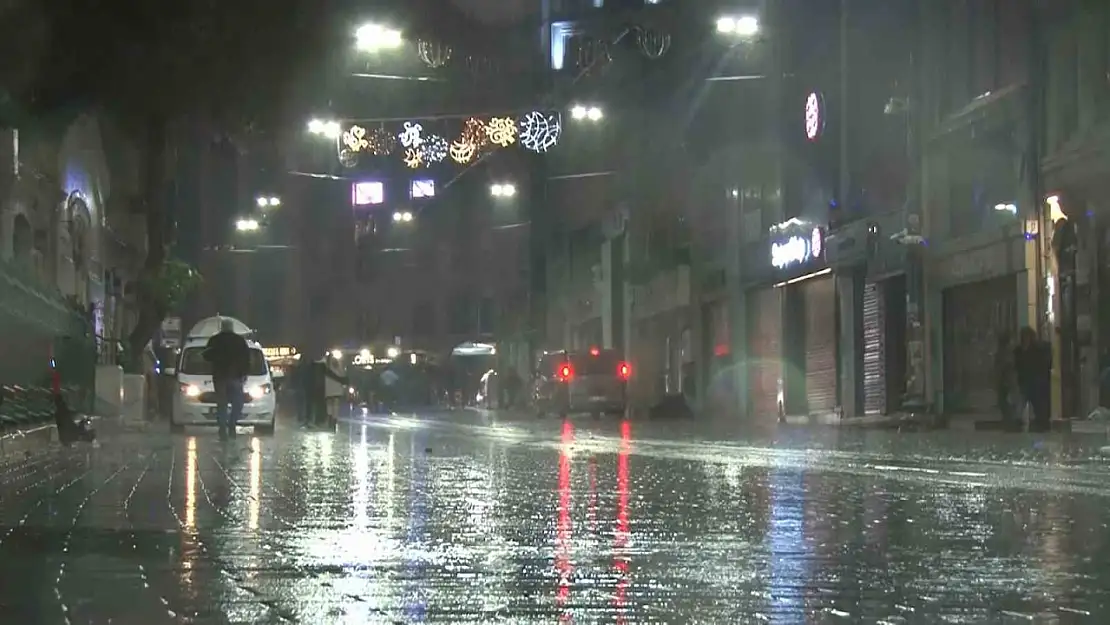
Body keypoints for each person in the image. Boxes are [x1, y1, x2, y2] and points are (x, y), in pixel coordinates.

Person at [203, 318, 250, 440]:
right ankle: (232, 425)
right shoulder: (240, 341)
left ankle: (223, 428)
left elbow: (206, 355)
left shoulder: (215, 340)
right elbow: (247, 358)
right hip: (236, 376)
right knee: (237, 403)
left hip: (220, 376)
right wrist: (244, 373)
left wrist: (216, 357)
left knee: (222, 403)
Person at [1014, 326, 1052, 432]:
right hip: (1024, 381)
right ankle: (1018, 422)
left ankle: (1039, 423)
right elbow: (1017, 365)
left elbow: (1042, 365)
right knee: (1021, 402)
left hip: (1035, 382)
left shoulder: (1037, 350)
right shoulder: (1018, 351)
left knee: (1036, 405)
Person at [994, 331, 1017, 429]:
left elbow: (1004, 367)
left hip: (1006, 381)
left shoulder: (1006, 353)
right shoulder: (1004, 353)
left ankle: (1009, 422)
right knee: (1004, 402)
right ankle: (1008, 422)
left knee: (1006, 402)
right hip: (1005, 381)